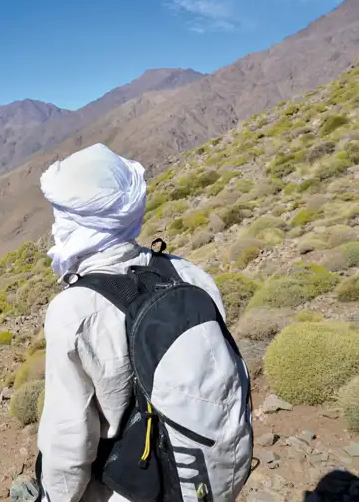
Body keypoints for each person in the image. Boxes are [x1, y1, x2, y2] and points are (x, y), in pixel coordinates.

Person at [36, 143, 251, 502]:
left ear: (76, 221)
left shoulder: (73, 310)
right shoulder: (188, 274)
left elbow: (69, 441)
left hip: (135, 488)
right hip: (206, 471)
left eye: (62, 214)